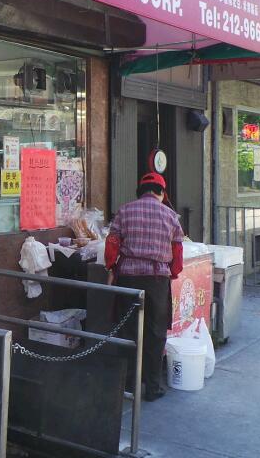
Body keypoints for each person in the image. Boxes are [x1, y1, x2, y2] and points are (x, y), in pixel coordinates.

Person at [105, 172, 184, 402]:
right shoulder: (171, 216)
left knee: (128, 330)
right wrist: (174, 273)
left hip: (128, 278)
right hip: (157, 280)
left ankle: (128, 385)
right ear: (160, 193)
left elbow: (112, 244)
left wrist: (111, 267)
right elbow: (177, 253)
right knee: (155, 332)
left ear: (141, 191)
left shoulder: (124, 210)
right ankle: (152, 387)